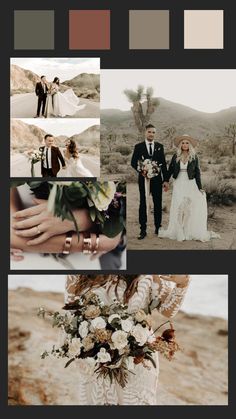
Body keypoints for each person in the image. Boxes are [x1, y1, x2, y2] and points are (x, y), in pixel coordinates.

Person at [63, 274, 190, 405]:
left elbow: (167, 311)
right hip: (95, 360)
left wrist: (182, 284)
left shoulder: (149, 273)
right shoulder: (81, 271)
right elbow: (71, 313)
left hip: (137, 361)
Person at [10, 183, 123, 270]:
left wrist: (83, 219)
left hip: (95, 257)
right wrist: (96, 243)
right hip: (25, 259)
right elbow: (12, 235)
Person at [159, 134, 220, 242]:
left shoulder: (194, 156)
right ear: (180, 145)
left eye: (187, 143)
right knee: (178, 206)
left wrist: (200, 187)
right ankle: (179, 231)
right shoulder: (175, 156)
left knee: (188, 208)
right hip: (178, 183)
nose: (185, 144)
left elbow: (197, 173)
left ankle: (186, 230)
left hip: (190, 183)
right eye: (183, 143)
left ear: (190, 145)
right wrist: (166, 180)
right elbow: (170, 170)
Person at [131, 124, 169, 240]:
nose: (151, 134)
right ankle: (143, 230)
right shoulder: (138, 146)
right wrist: (142, 170)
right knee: (143, 203)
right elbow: (133, 162)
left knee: (158, 203)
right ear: (145, 132)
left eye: (153, 132)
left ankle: (158, 228)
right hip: (144, 180)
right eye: (149, 132)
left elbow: (163, 164)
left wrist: (166, 180)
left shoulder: (160, 146)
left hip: (157, 180)